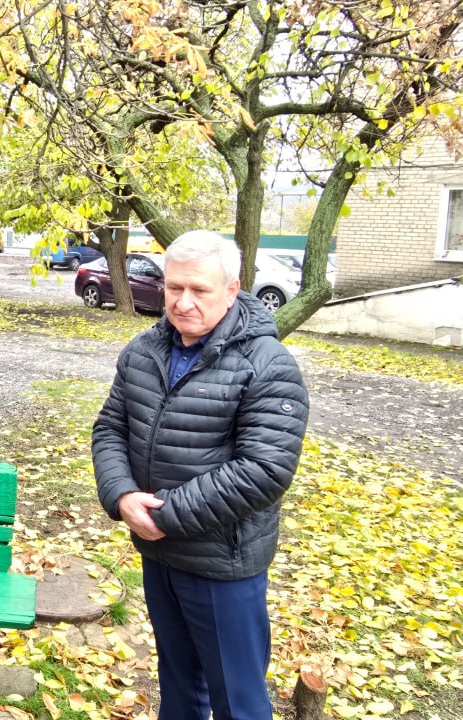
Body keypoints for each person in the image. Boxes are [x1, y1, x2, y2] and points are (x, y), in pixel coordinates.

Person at [91, 231, 309, 720]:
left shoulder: (267, 365)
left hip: (222, 563)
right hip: (159, 553)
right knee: (180, 689)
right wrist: (122, 494)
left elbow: (264, 469)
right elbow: (110, 427)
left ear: (232, 290)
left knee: (238, 701)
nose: (182, 302)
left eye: (199, 290)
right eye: (174, 288)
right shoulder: (144, 352)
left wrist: (167, 515)